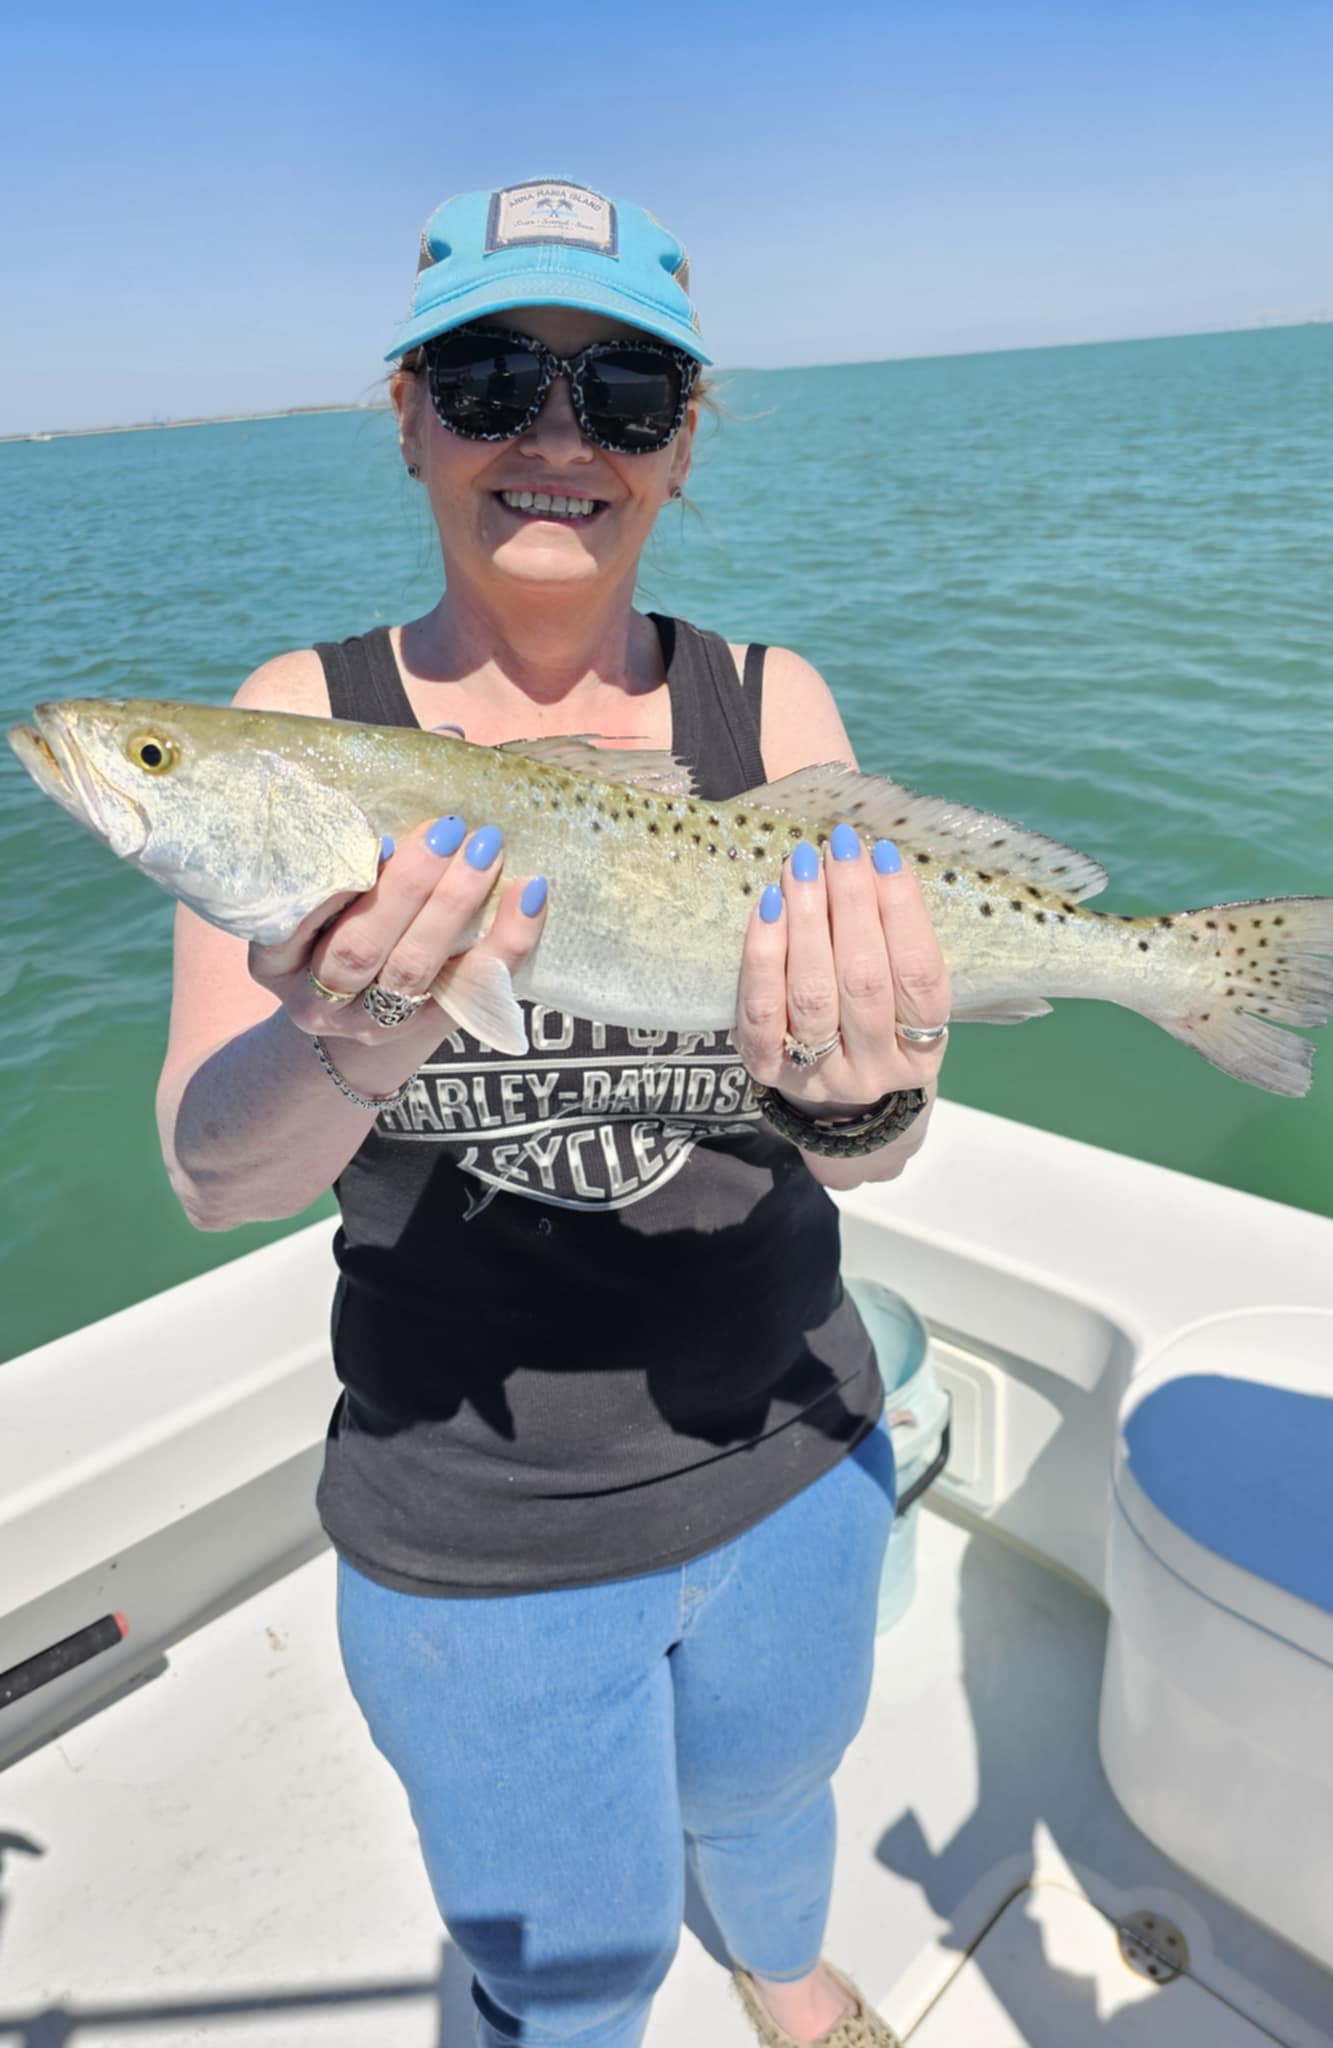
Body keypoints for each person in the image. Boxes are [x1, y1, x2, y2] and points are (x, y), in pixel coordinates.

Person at [156, 177, 952, 2048]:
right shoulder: (302, 724)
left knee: (774, 1797)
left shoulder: (773, 704)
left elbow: (890, 1131)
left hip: (793, 1442)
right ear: (411, 416)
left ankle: (788, 1978)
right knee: (570, 1972)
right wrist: (352, 1040)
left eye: (624, 394)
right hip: (479, 1527)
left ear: (684, 447)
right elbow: (211, 1179)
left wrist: (861, 1103)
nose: (554, 439)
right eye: (494, 375)